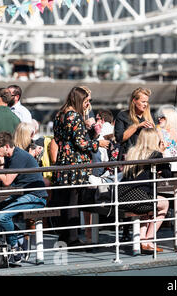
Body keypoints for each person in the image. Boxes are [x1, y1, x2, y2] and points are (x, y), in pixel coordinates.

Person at [51, 87, 109, 247]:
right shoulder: (74, 116)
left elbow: (60, 138)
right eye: (86, 101)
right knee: (73, 201)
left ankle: (64, 236)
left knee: (65, 200)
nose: (87, 104)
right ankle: (72, 238)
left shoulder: (60, 115)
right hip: (75, 162)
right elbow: (81, 143)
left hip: (63, 160)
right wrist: (98, 143)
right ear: (79, 101)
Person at [0, 132, 47, 264]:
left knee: (2, 217)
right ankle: (19, 236)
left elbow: (7, 181)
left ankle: (15, 249)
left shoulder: (18, 156)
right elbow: (5, 181)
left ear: (6, 146)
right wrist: (1, 163)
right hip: (23, 195)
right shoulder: (9, 157)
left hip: (35, 196)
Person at [120, 128, 170, 254]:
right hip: (139, 197)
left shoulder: (132, 152)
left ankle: (143, 241)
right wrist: (162, 153)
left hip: (122, 195)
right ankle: (149, 238)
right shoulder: (155, 155)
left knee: (148, 205)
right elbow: (167, 174)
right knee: (164, 204)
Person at [115, 87, 155, 161]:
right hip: (129, 156)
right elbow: (119, 138)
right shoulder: (123, 115)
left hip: (147, 156)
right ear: (134, 101)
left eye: (147, 102)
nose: (145, 104)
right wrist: (137, 126)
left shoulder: (150, 116)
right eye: (143, 102)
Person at [156, 106, 177, 171]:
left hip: (167, 169)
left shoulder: (161, 133)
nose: (159, 119)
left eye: (163, 117)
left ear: (170, 119)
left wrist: (157, 129)